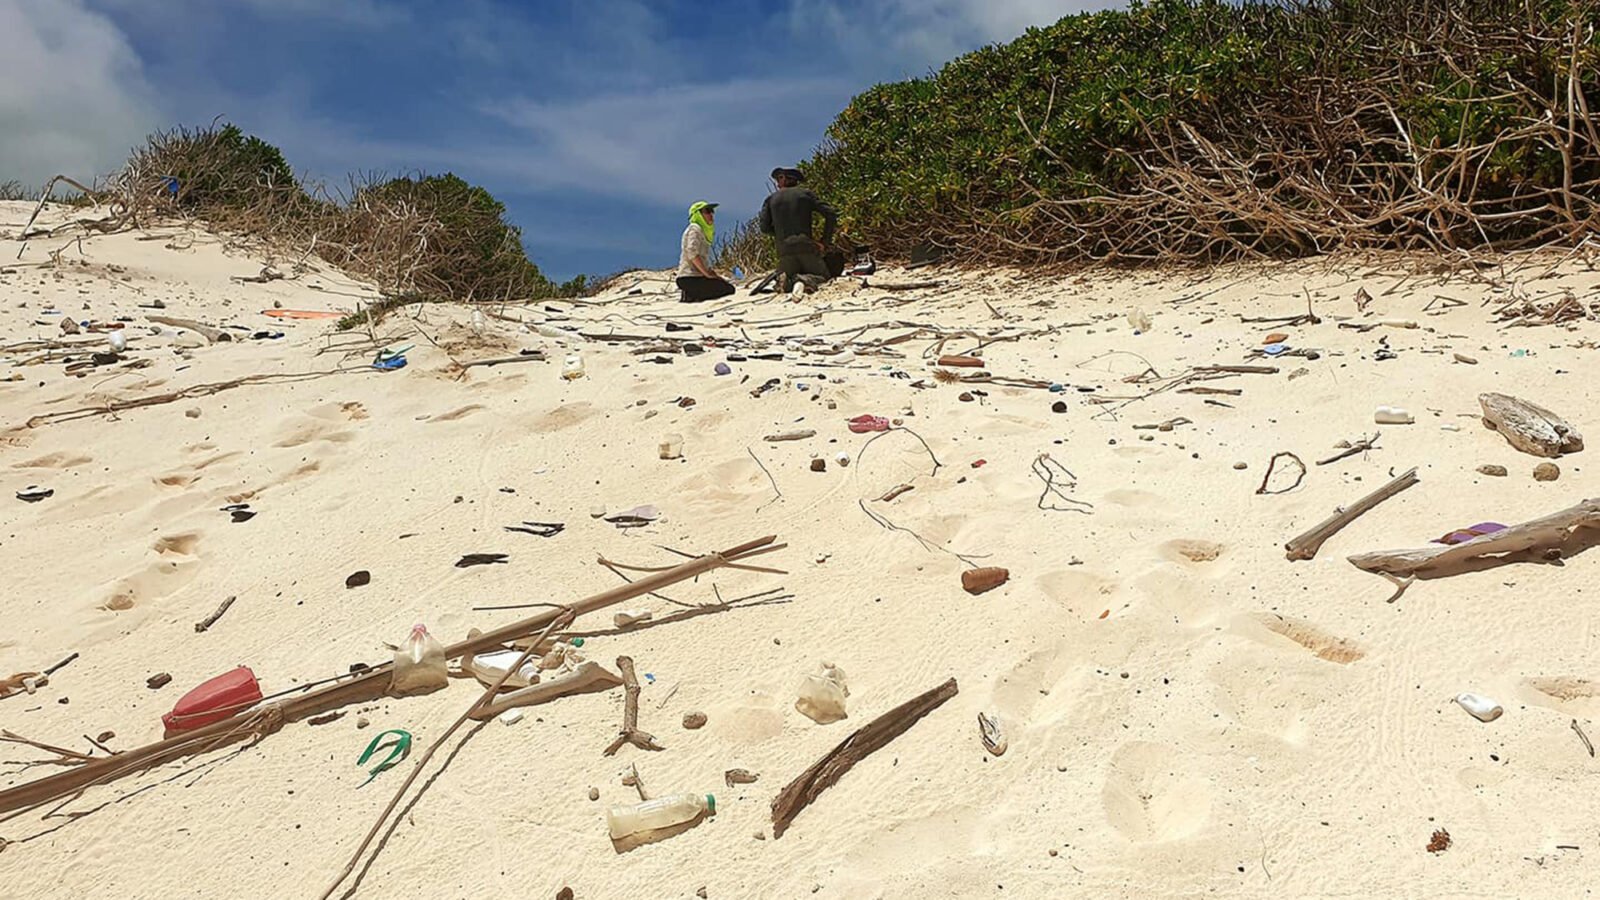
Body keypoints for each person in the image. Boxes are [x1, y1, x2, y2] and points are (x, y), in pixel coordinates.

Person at [759, 167, 839, 293]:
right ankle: (804, 280)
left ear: (785, 180)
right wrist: (824, 241)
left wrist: (781, 235)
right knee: (824, 277)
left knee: (787, 278)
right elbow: (831, 214)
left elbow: (764, 228)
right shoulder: (805, 194)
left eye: (779, 179)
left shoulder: (770, 200)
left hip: (784, 250)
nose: (777, 183)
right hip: (806, 247)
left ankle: (788, 282)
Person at [676, 201, 735, 303]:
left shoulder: (702, 231)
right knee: (727, 289)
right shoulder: (695, 229)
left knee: (725, 286)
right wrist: (706, 273)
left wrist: (711, 273)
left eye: (712, 211)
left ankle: (692, 294)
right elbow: (692, 253)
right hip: (689, 277)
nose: (711, 214)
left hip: (696, 277)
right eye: (707, 211)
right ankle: (691, 295)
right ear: (697, 214)